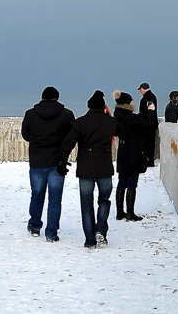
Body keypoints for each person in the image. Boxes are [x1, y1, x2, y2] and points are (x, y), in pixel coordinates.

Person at [58, 90, 121, 249]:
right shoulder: (110, 122)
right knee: (104, 200)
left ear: (88, 106)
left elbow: (68, 143)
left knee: (86, 204)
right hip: (104, 167)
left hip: (85, 168)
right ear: (103, 107)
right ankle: (100, 229)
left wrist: (62, 162)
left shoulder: (80, 122)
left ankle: (90, 239)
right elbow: (122, 132)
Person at [21, 86, 75, 242]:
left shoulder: (30, 114)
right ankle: (51, 232)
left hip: (37, 160)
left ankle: (35, 224)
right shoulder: (67, 115)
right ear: (57, 98)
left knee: (37, 194)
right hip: (57, 161)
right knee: (55, 198)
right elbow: (72, 136)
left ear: (42, 97)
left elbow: (26, 135)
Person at [113, 91, 152, 221]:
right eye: (131, 101)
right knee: (131, 183)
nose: (132, 102)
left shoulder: (117, 115)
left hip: (123, 151)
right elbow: (148, 125)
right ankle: (130, 213)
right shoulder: (130, 117)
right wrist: (151, 111)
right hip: (134, 152)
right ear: (127, 103)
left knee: (121, 182)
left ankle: (119, 212)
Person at [137, 82, 158, 166]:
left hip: (148, 124)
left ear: (143, 89)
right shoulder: (150, 96)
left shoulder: (148, 97)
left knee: (148, 143)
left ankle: (149, 161)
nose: (140, 91)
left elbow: (149, 111)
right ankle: (148, 160)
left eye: (140, 89)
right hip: (149, 123)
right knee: (148, 143)